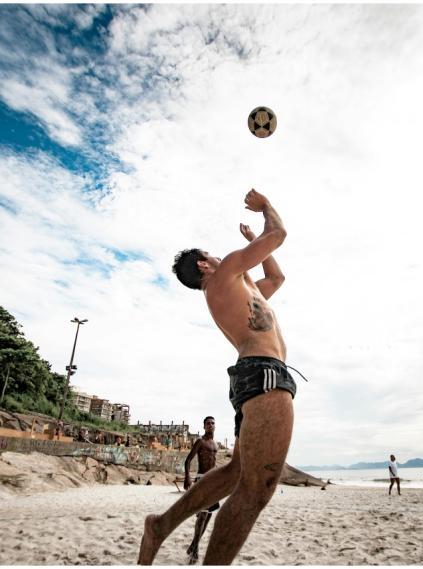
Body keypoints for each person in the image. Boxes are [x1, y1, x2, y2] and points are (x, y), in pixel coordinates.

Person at [138, 189, 296, 565]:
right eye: (210, 253)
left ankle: (160, 525)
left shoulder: (239, 286)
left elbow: (277, 276)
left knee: (236, 472)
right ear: (206, 266)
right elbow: (278, 234)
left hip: (253, 376)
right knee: (256, 491)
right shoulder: (225, 274)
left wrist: (254, 244)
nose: (217, 255)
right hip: (264, 375)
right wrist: (266, 208)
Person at [183, 416, 220, 565]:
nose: (210, 425)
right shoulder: (201, 442)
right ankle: (195, 549)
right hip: (201, 480)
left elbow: (214, 464)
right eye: (208, 423)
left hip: (212, 481)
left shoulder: (215, 445)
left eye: (212, 423)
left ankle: (192, 545)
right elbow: (188, 460)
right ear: (204, 426)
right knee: (203, 516)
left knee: (209, 515)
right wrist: (187, 477)